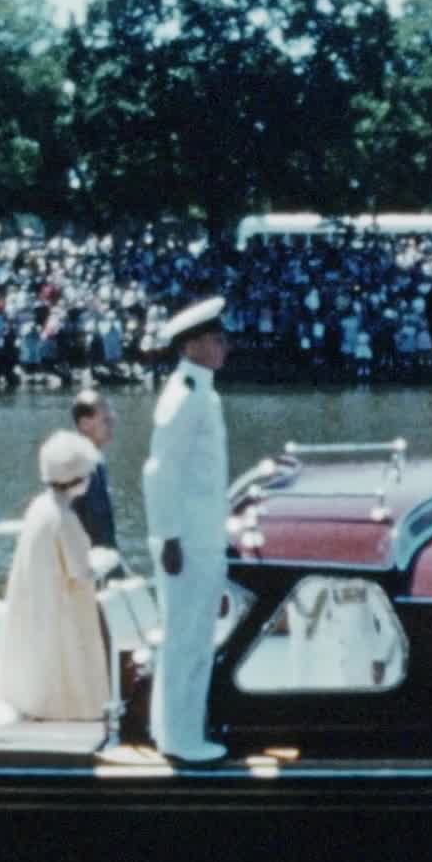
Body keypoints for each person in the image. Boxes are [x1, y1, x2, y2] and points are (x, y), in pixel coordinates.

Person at [141, 296, 233, 764]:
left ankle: (172, 729)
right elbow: (159, 473)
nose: (225, 347)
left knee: (191, 638)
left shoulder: (201, 391)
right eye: (217, 340)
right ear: (193, 344)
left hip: (200, 534)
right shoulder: (183, 397)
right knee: (187, 640)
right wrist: (170, 537)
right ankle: (182, 741)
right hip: (187, 541)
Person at [0, 431, 111, 725]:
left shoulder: (39, 507)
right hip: (61, 609)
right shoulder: (65, 519)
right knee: (68, 664)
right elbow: (81, 572)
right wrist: (104, 562)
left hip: (39, 601)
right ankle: (71, 714)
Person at [69, 390, 117, 550]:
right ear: (84, 424)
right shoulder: (86, 467)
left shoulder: (90, 460)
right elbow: (99, 531)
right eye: (106, 420)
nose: (112, 422)